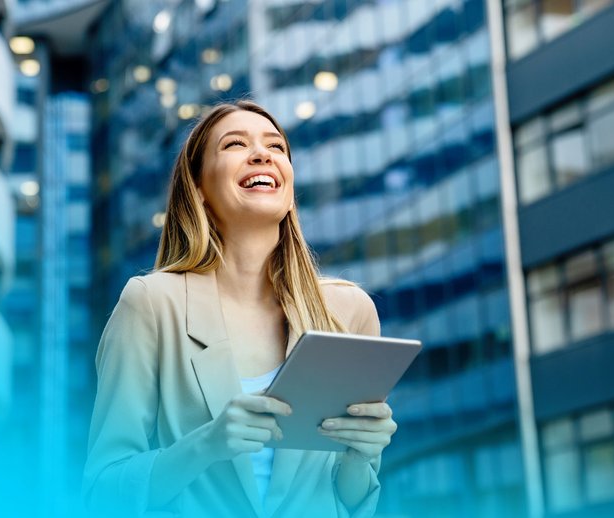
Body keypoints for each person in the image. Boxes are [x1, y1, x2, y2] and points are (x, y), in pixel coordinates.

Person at [83, 100, 398, 518]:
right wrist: (207, 444)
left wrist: (361, 456)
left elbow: (351, 501)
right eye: (234, 144)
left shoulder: (348, 312)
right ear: (198, 188)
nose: (262, 154)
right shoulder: (151, 304)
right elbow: (102, 493)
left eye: (276, 147)